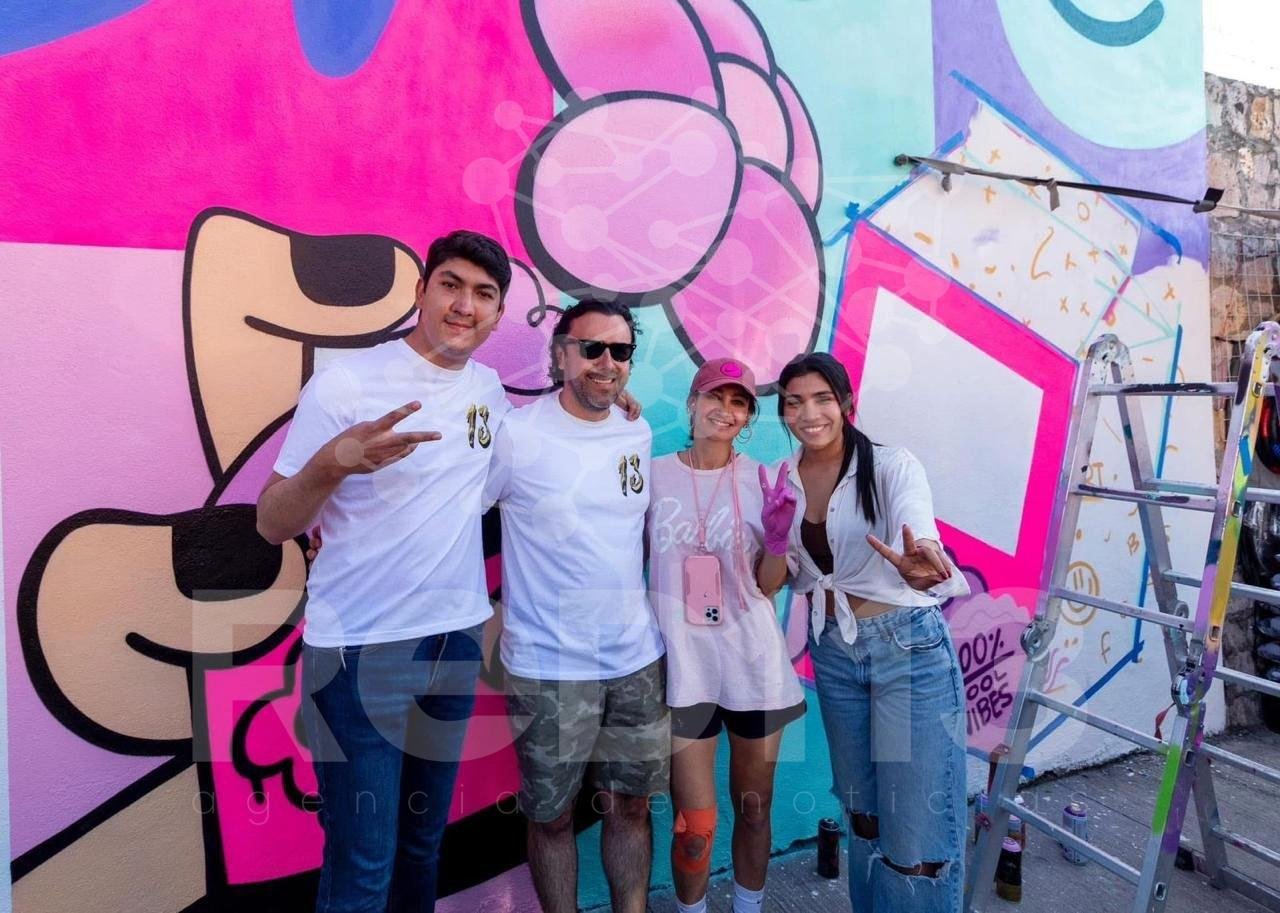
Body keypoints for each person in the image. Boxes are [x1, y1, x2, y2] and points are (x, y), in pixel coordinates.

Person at [256, 230, 514, 913]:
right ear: (421, 291)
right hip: (358, 655)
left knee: (422, 846)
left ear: (497, 313)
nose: (464, 305)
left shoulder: (490, 391)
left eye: (483, 294)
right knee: (362, 864)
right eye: (450, 285)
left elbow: (514, 475)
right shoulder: (348, 382)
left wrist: (611, 406)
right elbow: (273, 522)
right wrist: (334, 464)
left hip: (454, 643)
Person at [756, 352, 969, 913]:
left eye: (822, 399)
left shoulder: (892, 465)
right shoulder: (781, 478)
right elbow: (773, 582)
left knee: (916, 833)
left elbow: (916, 522)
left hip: (905, 656)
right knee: (865, 816)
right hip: (835, 656)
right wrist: (775, 538)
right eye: (794, 402)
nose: (809, 414)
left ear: (847, 404)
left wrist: (923, 556)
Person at [484, 299, 668, 913]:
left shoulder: (636, 431)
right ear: (561, 354)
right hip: (548, 665)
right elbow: (453, 510)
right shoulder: (516, 434)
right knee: (553, 816)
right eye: (591, 349)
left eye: (620, 351)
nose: (606, 362)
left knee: (631, 806)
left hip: (635, 659)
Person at [646, 357, 806, 913]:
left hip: (753, 666)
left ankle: (747, 906)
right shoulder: (652, 474)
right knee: (694, 827)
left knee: (755, 809)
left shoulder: (763, 481)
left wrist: (779, 542)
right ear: (692, 403)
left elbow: (769, 585)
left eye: (740, 403)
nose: (726, 409)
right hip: (684, 671)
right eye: (716, 396)